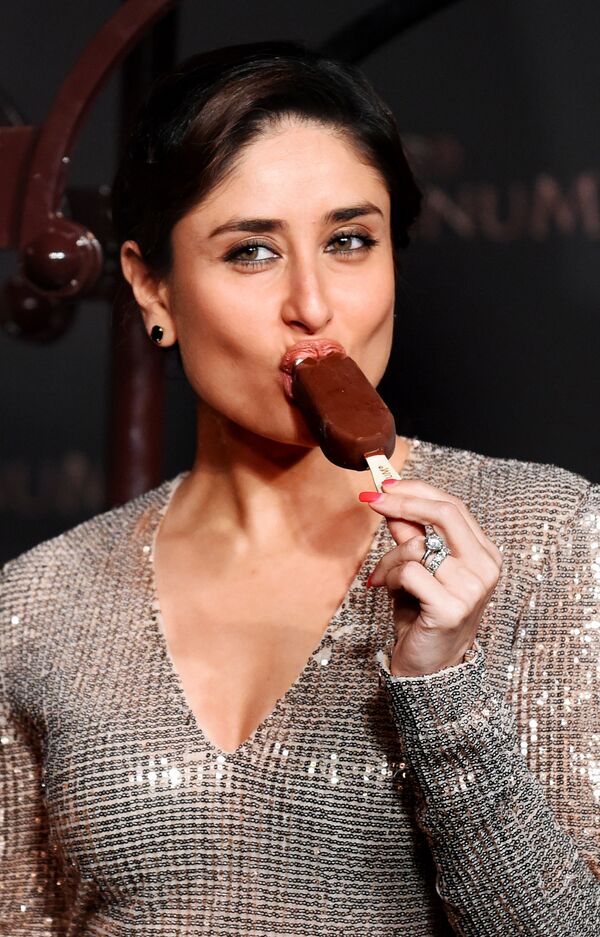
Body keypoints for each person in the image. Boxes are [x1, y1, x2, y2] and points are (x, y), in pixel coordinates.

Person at [1, 40, 598, 936]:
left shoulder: (550, 536)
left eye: (351, 240)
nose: (314, 306)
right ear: (152, 287)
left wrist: (443, 688)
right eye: (250, 252)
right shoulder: (35, 605)